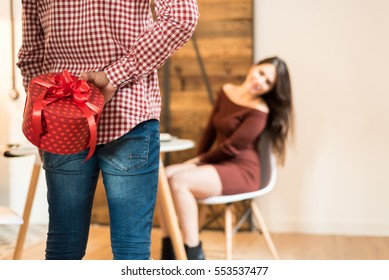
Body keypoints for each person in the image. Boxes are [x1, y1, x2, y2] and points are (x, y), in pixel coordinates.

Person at [17, 0, 199, 260]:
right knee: (131, 251)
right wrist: (116, 75)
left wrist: (45, 111)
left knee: (63, 248)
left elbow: (31, 57)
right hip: (127, 114)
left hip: (67, 124)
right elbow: (182, 17)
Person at [158, 56, 294, 260]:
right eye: (261, 73)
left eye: (268, 83)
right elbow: (210, 132)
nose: (260, 81)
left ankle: (193, 254)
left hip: (243, 170)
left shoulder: (260, 110)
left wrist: (197, 163)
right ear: (253, 67)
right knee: (162, 177)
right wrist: (198, 159)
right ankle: (170, 249)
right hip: (218, 164)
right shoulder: (226, 91)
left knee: (179, 181)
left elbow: (232, 147)